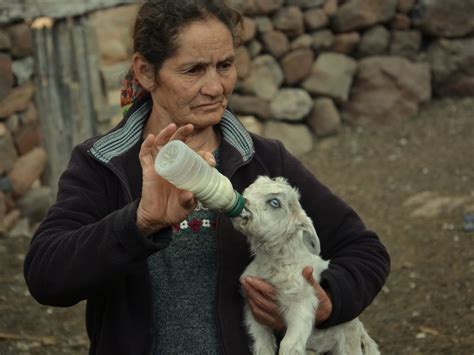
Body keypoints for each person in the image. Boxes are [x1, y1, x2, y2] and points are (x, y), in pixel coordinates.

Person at [24, 1, 390, 354]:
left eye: (225, 65)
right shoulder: (103, 165)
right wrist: (138, 222)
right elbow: (45, 276)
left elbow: (365, 251)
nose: (216, 87)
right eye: (194, 70)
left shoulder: (262, 160)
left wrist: (326, 302)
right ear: (145, 71)